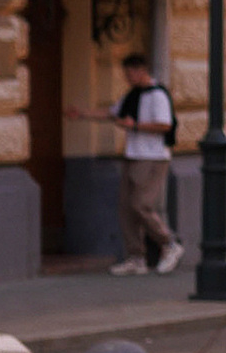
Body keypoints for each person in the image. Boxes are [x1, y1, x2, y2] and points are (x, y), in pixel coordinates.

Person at [77, 47, 182, 277]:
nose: (127, 78)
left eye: (129, 74)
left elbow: (165, 125)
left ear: (141, 70)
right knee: (126, 208)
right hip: (133, 156)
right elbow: (113, 113)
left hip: (153, 158)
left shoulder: (157, 95)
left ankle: (169, 244)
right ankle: (136, 257)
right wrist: (83, 114)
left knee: (140, 205)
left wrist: (133, 126)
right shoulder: (132, 95)